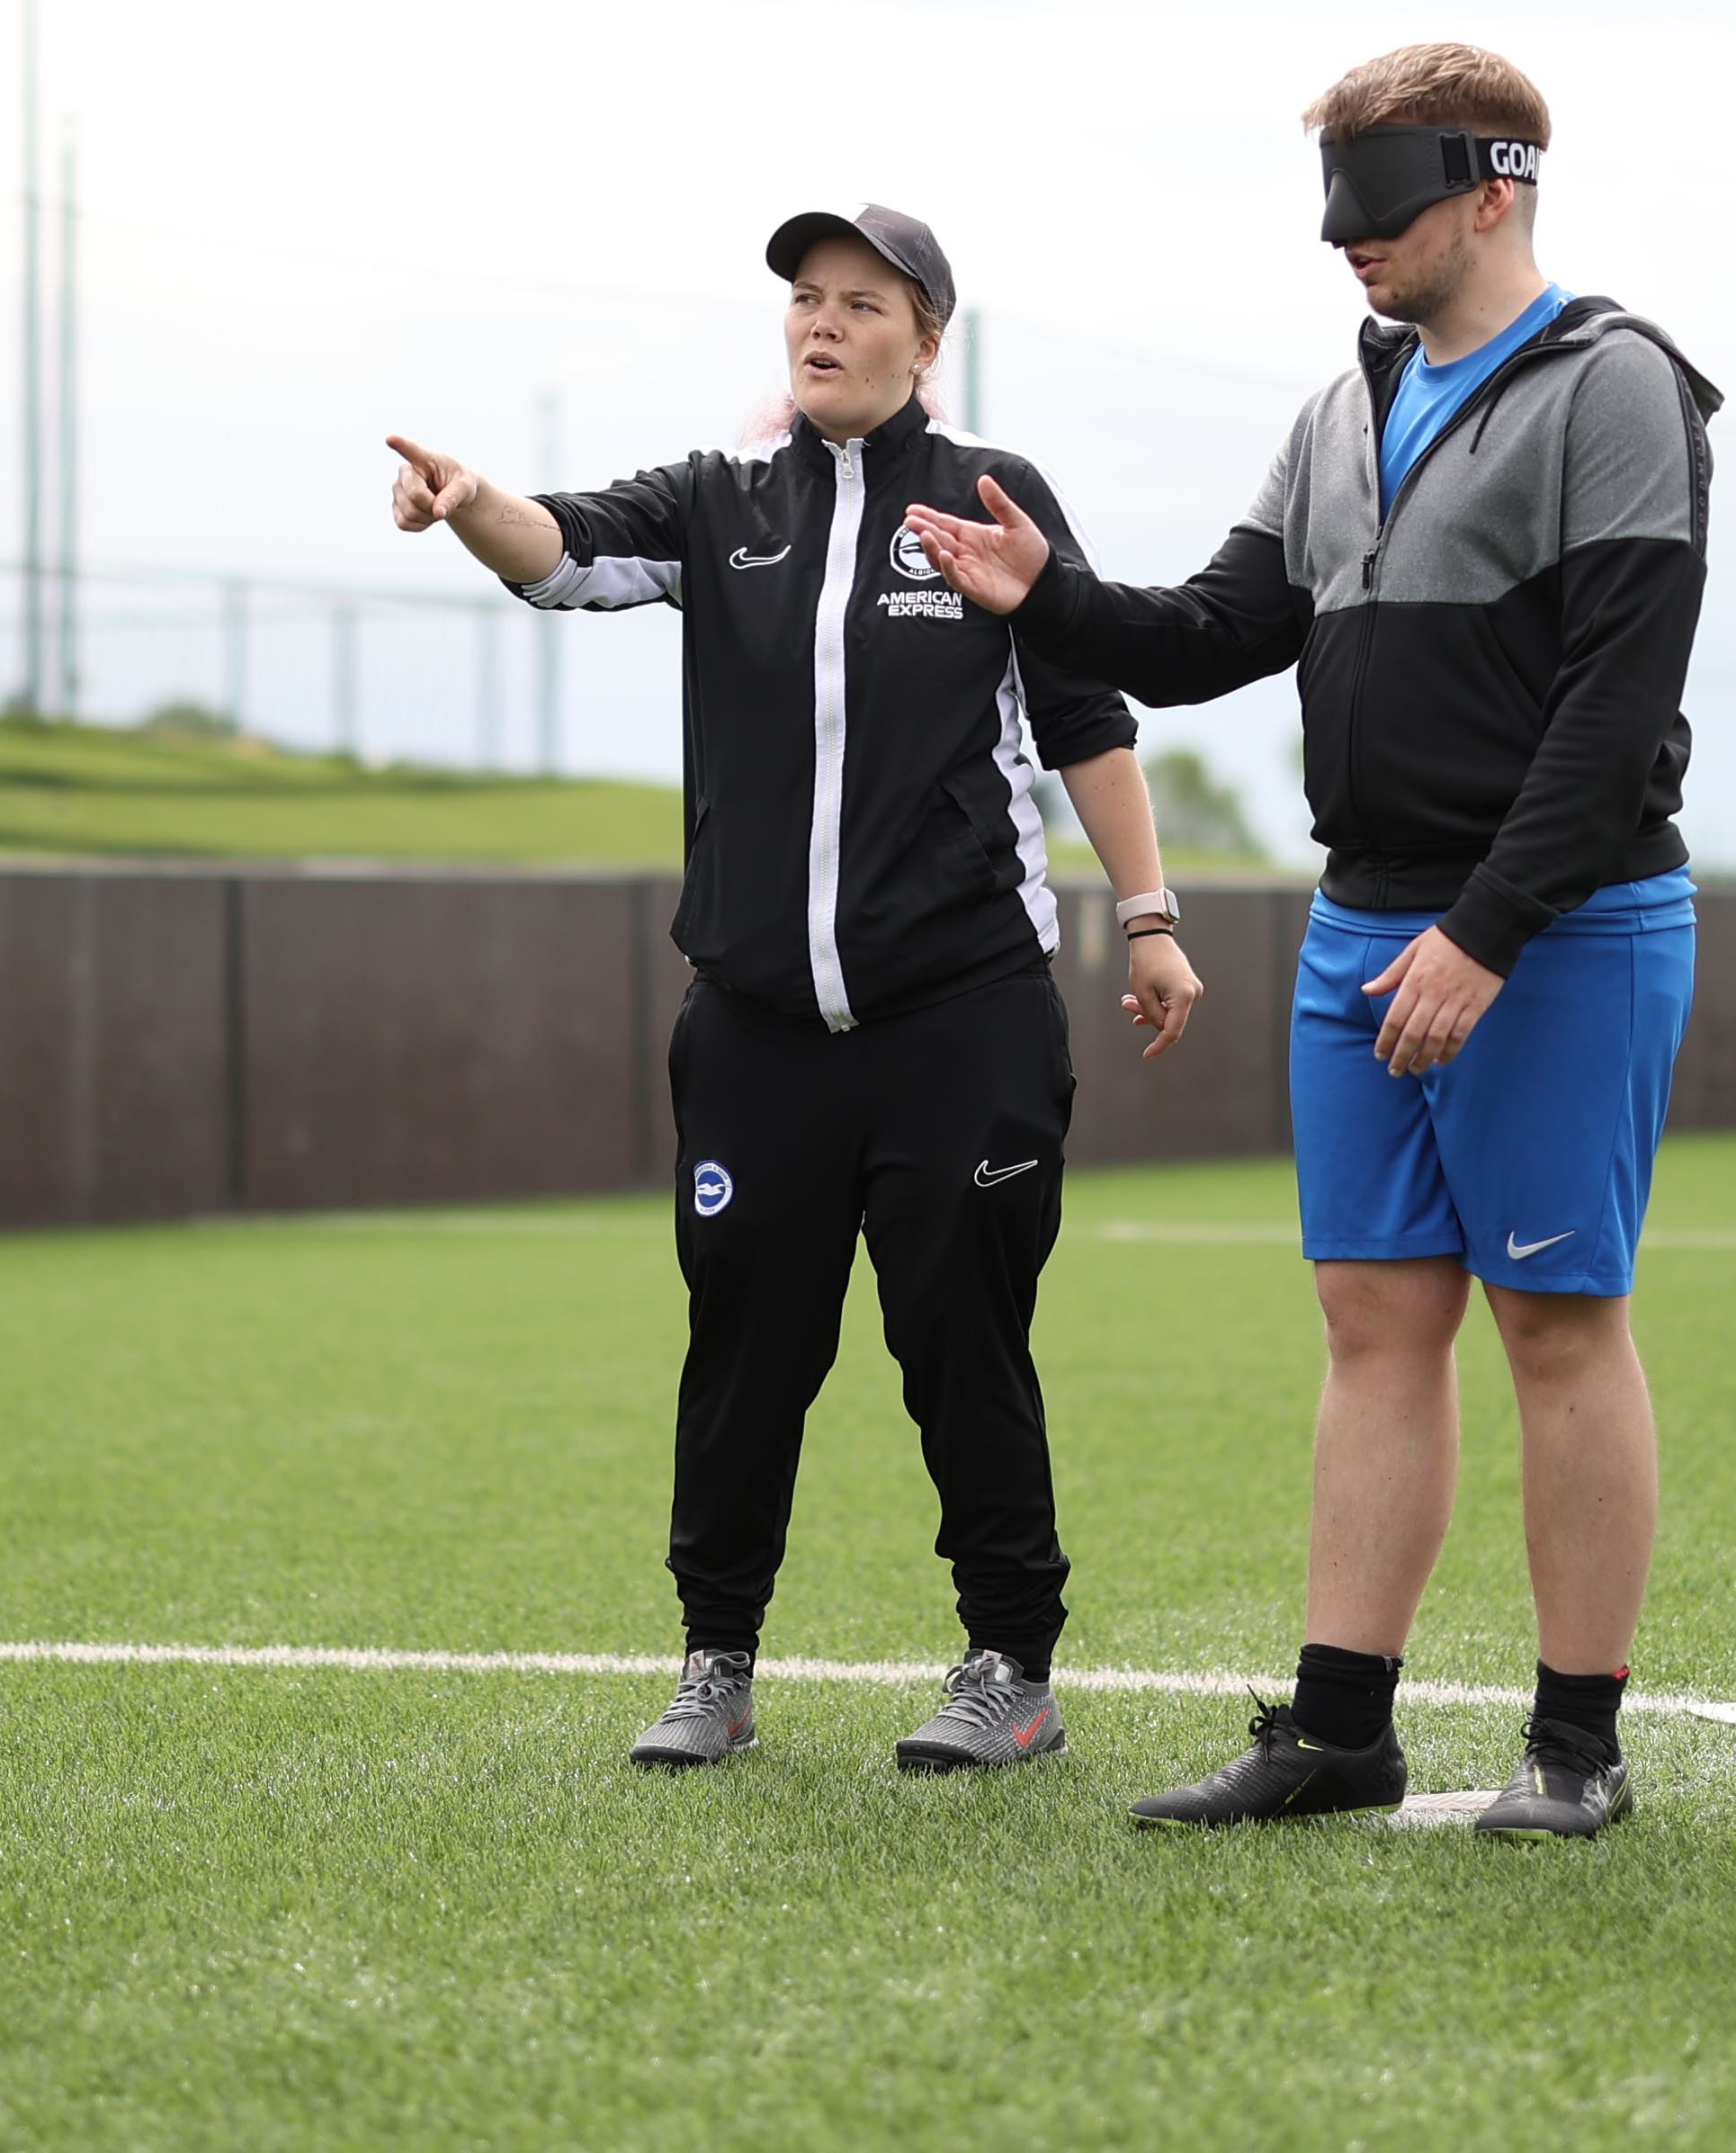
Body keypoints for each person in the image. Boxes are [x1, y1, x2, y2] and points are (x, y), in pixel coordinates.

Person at [903, 46, 1717, 1839]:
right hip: (1364, 923)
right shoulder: (1340, 403)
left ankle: (1575, 1747)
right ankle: (1341, 1730)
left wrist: (1488, 932)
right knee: (1370, 1324)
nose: (1346, 240)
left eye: (1383, 200)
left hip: (1557, 932)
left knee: (1559, 1325)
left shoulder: (1618, 389)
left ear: (1492, 187)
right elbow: (1213, 627)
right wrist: (1051, 595)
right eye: (1332, 199)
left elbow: (1613, 709)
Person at [385, 203, 1204, 1774]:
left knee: (960, 1332)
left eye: (861, 303)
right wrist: (471, 497)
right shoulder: (717, 500)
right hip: (755, 1030)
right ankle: (716, 1661)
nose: (821, 324)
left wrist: (1150, 918)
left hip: (959, 1014)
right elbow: (559, 557)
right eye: (804, 302)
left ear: (925, 341)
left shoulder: (986, 497)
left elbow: (1085, 711)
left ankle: (1007, 1664)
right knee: (746, 1337)